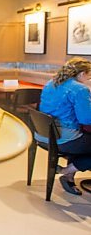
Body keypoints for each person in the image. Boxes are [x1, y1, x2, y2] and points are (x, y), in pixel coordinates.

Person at [39, 57, 91, 195]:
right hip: (62, 138)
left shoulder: (51, 83)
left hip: (43, 133)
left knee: (85, 140)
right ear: (81, 74)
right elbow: (86, 119)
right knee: (84, 140)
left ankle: (68, 176)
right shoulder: (79, 89)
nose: (89, 79)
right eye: (89, 76)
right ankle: (67, 171)